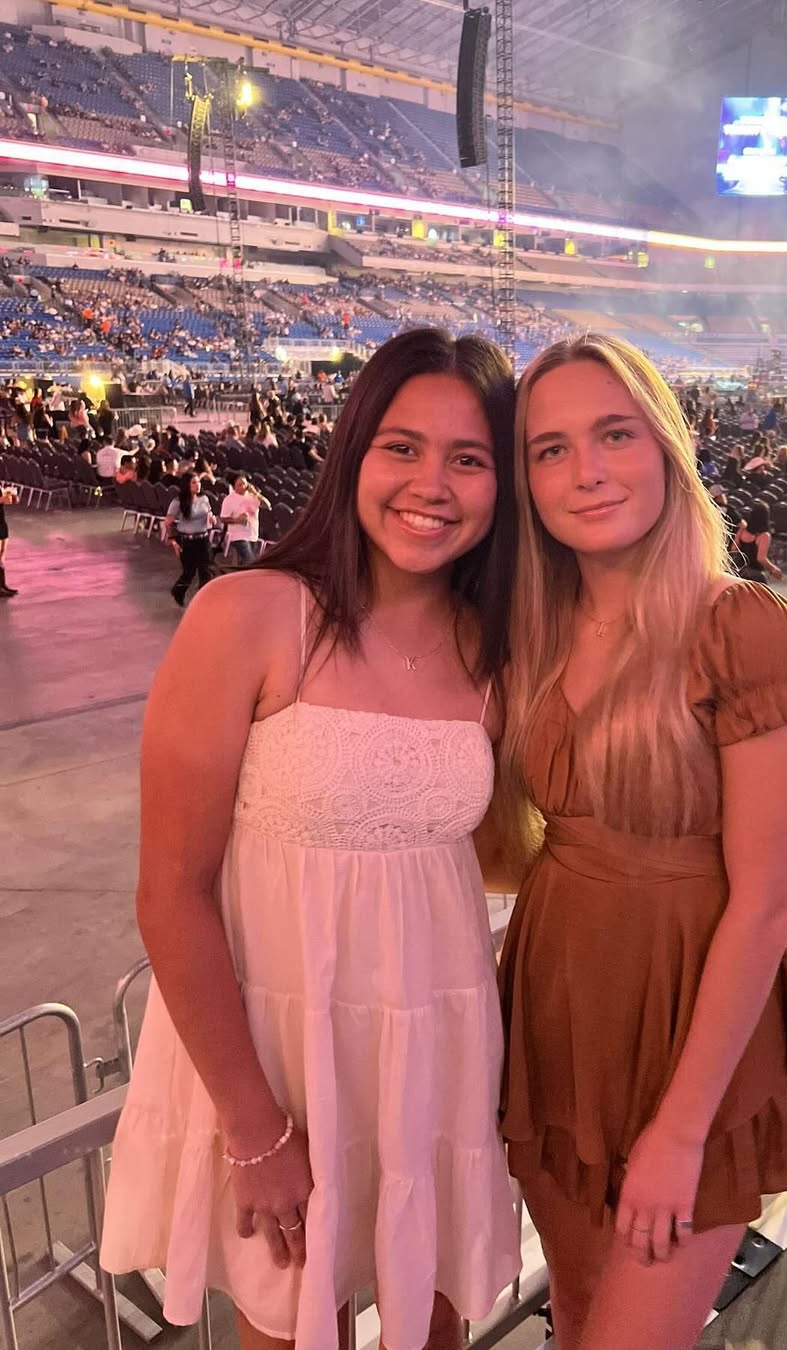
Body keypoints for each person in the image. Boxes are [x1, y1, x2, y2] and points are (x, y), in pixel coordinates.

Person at [100, 329, 522, 1350]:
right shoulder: (249, 616)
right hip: (277, 1059)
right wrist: (254, 1127)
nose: (432, 484)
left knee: (434, 1320)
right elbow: (172, 893)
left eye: (469, 458)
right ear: (353, 454)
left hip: (435, 1046)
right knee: (294, 1326)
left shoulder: (496, 652)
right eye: (402, 447)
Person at [495, 335, 787, 1350]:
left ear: (666, 449)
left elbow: (764, 903)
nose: (586, 471)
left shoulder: (740, 629)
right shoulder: (534, 632)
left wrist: (681, 1133)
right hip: (556, 1009)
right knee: (577, 1309)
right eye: (550, 450)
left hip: (691, 1031)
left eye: (614, 434)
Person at [164, 471, 215, 606]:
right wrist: (173, 541)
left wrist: (212, 518)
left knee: (206, 571)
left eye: (198, 482)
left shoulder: (204, 498)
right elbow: (168, 522)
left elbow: (209, 512)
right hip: (187, 541)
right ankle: (178, 591)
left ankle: (203, 600)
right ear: (187, 485)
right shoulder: (178, 502)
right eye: (194, 482)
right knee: (189, 572)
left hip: (203, 539)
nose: (197, 485)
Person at [221, 473, 268, 566]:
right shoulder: (229, 500)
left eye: (244, 484)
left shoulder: (253, 496)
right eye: (239, 485)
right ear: (234, 487)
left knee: (245, 563)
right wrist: (236, 520)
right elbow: (223, 519)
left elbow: (267, 505)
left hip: (252, 534)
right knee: (250, 560)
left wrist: (255, 493)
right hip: (238, 536)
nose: (243, 487)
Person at [732, 502, 783, 582]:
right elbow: (761, 559)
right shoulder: (764, 535)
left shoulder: (742, 530)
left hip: (740, 573)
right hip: (756, 575)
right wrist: (773, 569)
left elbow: (734, 548)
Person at [0, 483, 18, 597]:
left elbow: (9, 501)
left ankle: (2, 585)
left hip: (2, 522)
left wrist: (13, 496)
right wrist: (3, 498)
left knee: (2, 556)